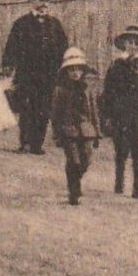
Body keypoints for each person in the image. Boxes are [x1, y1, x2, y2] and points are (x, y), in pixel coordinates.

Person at [2, 0, 69, 154]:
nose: (43, 4)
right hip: (27, 74)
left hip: (48, 75)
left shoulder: (55, 25)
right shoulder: (21, 24)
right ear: (32, 2)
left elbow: (64, 48)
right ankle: (25, 141)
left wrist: (64, 67)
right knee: (27, 108)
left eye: (46, 1)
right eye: (40, 0)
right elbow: (11, 46)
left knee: (44, 108)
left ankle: (37, 144)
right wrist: (8, 66)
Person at [100, 24, 138, 199]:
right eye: (129, 42)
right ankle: (119, 179)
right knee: (121, 147)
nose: (133, 46)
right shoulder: (116, 65)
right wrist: (107, 115)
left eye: (136, 43)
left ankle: (137, 184)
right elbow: (108, 91)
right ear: (124, 44)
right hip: (120, 114)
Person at [51, 47, 102, 205]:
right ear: (66, 71)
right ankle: (73, 190)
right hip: (68, 131)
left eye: (78, 69)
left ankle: (75, 181)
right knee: (74, 161)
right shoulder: (60, 90)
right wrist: (57, 134)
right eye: (71, 69)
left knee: (86, 160)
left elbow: (93, 111)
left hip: (86, 130)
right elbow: (55, 114)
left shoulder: (87, 89)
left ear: (83, 71)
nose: (75, 73)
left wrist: (97, 132)